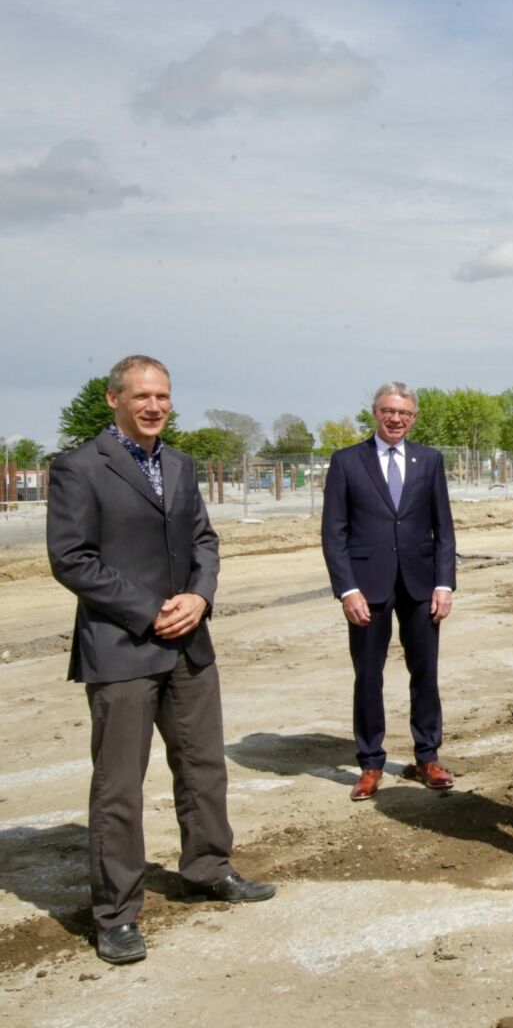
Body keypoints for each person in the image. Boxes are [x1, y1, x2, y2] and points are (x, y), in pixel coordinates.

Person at [47, 355, 274, 966]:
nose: (154, 406)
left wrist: (199, 596)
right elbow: (71, 558)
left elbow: (204, 539)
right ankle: (116, 913)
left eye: (164, 397)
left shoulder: (178, 464)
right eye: (142, 396)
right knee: (119, 785)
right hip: (122, 646)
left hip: (188, 643)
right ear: (113, 398)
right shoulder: (77, 467)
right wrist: (151, 610)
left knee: (203, 766)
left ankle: (208, 870)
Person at [322, 382, 458, 801]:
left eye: (404, 413)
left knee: (426, 672)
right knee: (368, 675)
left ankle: (427, 756)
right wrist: (347, 590)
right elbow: (334, 532)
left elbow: (444, 528)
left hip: (420, 585)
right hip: (368, 587)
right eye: (388, 411)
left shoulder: (429, 460)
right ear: (375, 413)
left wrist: (444, 582)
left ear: (414, 417)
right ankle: (370, 763)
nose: (395, 419)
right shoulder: (347, 462)